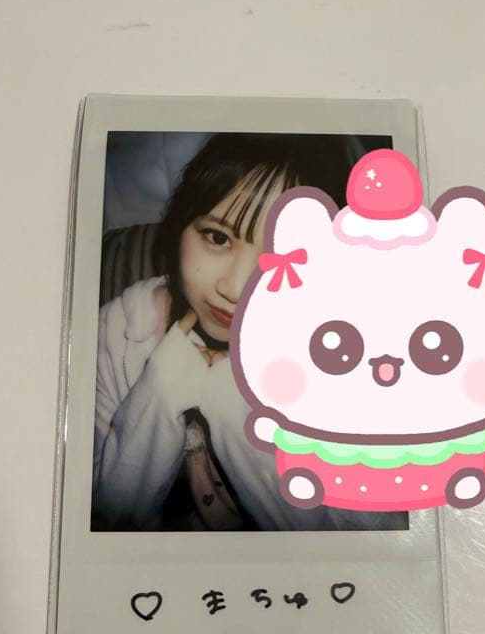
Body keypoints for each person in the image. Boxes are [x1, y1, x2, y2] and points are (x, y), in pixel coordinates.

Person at [91, 132, 405, 531]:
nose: (236, 288)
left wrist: (235, 409)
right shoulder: (121, 331)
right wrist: (159, 390)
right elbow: (106, 524)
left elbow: (364, 543)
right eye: (217, 238)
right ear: (179, 227)